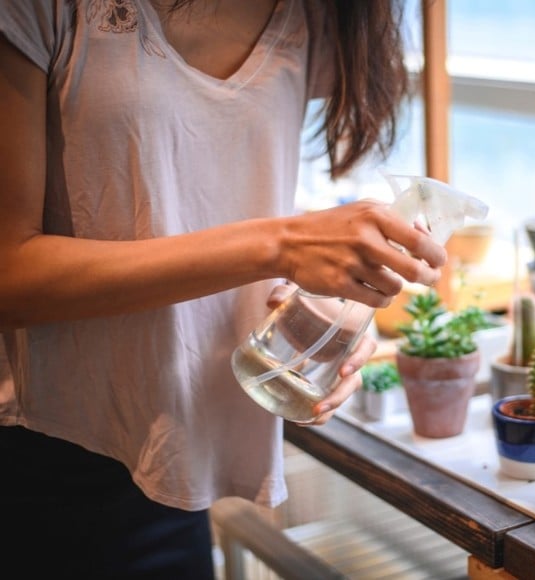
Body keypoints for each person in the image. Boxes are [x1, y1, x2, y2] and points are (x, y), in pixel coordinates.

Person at [0, 1, 446, 577]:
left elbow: (205, 180)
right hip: (36, 450)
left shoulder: (315, 16)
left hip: (172, 456)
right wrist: (282, 244)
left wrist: (325, 301)